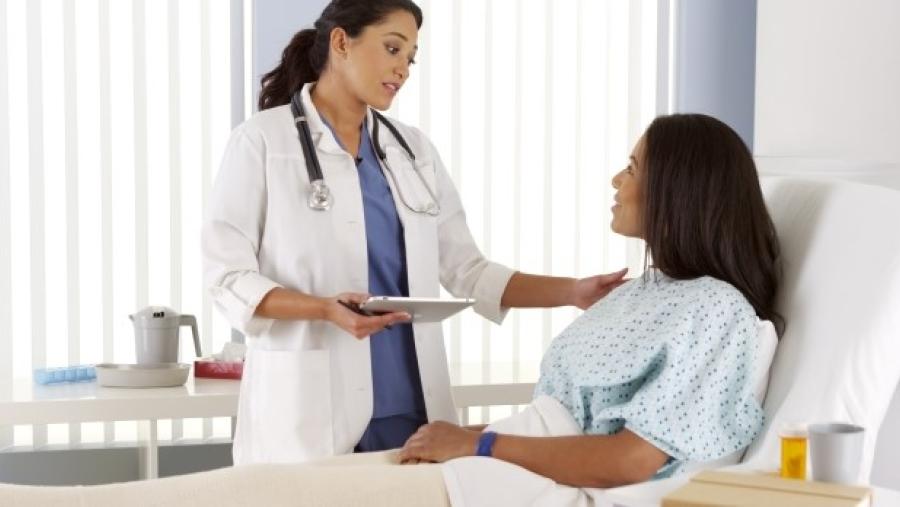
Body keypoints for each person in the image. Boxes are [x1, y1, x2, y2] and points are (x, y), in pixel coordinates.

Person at [202, 0, 627, 465]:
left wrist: (573, 291)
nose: (403, 68)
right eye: (392, 49)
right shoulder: (262, 141)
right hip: (309, 412)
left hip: (411, 410)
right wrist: (322, 309)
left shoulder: (412, 151)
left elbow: (468, 271)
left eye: (410, 57)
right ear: (342, 42)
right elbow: (227, 278)